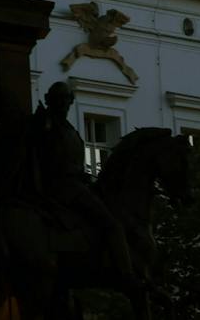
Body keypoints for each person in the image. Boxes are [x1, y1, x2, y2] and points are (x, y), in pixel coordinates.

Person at [26, 81, 132, 275]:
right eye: (60, 100)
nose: (64, 104)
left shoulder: (65, 127)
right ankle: (128, 275)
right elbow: (47, 157)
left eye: (66, 100)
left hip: (74, 184)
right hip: (65, 188)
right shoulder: (48, 124)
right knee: (112, 224)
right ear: (52, 101)